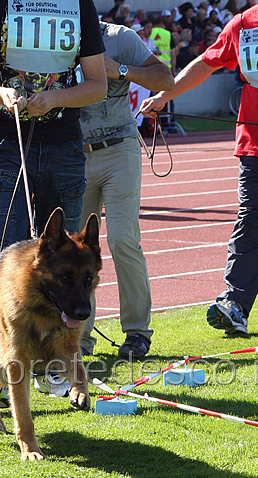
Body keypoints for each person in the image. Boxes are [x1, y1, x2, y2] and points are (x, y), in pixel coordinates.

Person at [141, 0, 258, 333]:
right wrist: (164, 96)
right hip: (256, 146)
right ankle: (235, 305)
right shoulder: (242, 24)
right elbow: (203, 64)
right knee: (251, 223)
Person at [0, 0, 106, 260]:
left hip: (63, 145)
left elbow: (98, 86)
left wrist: (55, 98)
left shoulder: (80, 5)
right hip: (6, 143)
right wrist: (1, 94)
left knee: (61, 258)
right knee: (3, 258)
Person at [78, 22, 174, 360]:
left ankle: (136, 332)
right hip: (74, 155)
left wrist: (118, 69)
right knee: (76, 249)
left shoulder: (119, 37)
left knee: (122, 239)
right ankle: (77, 337)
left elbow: (165, 79)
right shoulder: (51, 39)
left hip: (119, 148)